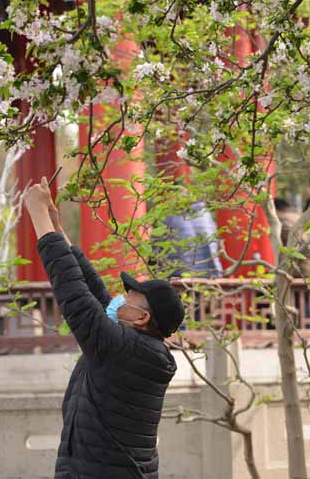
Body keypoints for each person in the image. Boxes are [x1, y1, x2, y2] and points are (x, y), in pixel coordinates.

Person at [24, 176, 186, 479]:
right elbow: (93, 289)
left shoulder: (125, 350)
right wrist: (56, 224)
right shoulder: (137, 346)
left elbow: (75, 295)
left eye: (129, 298)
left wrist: (36, 214)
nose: (117, 301)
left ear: (141, 318)